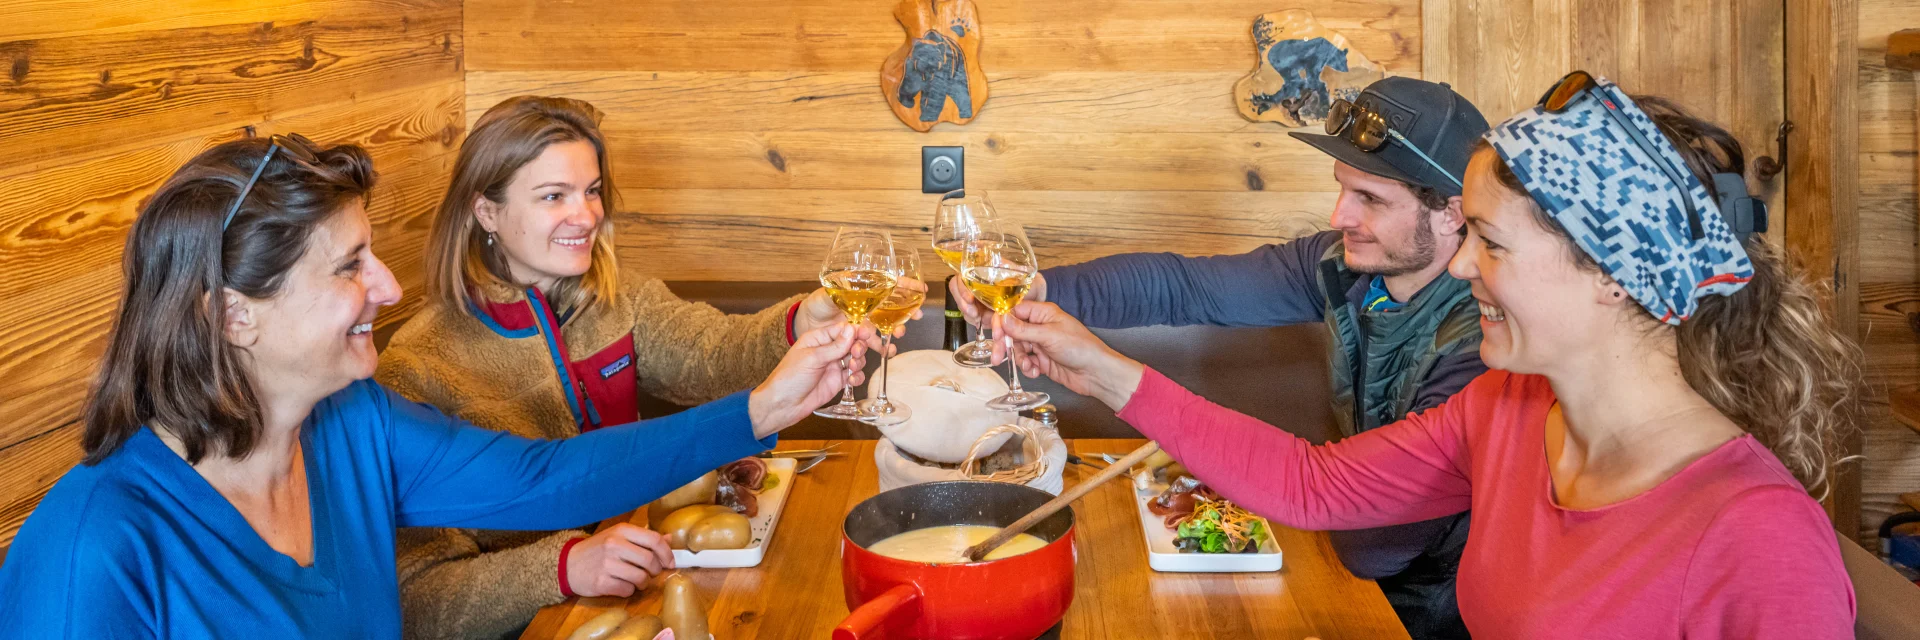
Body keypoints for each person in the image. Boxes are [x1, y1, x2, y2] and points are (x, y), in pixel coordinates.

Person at [994, 75, 1858, 637]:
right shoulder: (1512, 413)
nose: (1463, 265)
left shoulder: (1758, 538)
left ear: (1613, 276)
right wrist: (1102, 370)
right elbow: (1313, 486)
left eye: (1489, 242)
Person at [0, 134, 868, 638]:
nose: (386, 287)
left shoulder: (353, 424)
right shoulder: (93, 545)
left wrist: (763, 410)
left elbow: (547, 480)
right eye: (350, 267)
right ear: (232, 316)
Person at [955, 76, 1488, 638]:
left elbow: (1370, 548)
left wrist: (1270, 480)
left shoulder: (1483, 340)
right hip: (1342, 563)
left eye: (1371, 200)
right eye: (1343, 188)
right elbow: (1186, 286)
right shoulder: (1344, 267)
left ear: (1452, 212)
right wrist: (1037, 288)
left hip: (1431, 614)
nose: (1339, 216)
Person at [371, 97, 907, 639]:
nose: (585, 216)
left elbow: (712, 354)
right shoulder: (418, 368)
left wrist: (800, 321)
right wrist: (562, 568)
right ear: (486, 211)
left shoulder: (617, 298)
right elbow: (415, 599)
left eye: (592, 190)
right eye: (553, 195)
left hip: (643, 592)